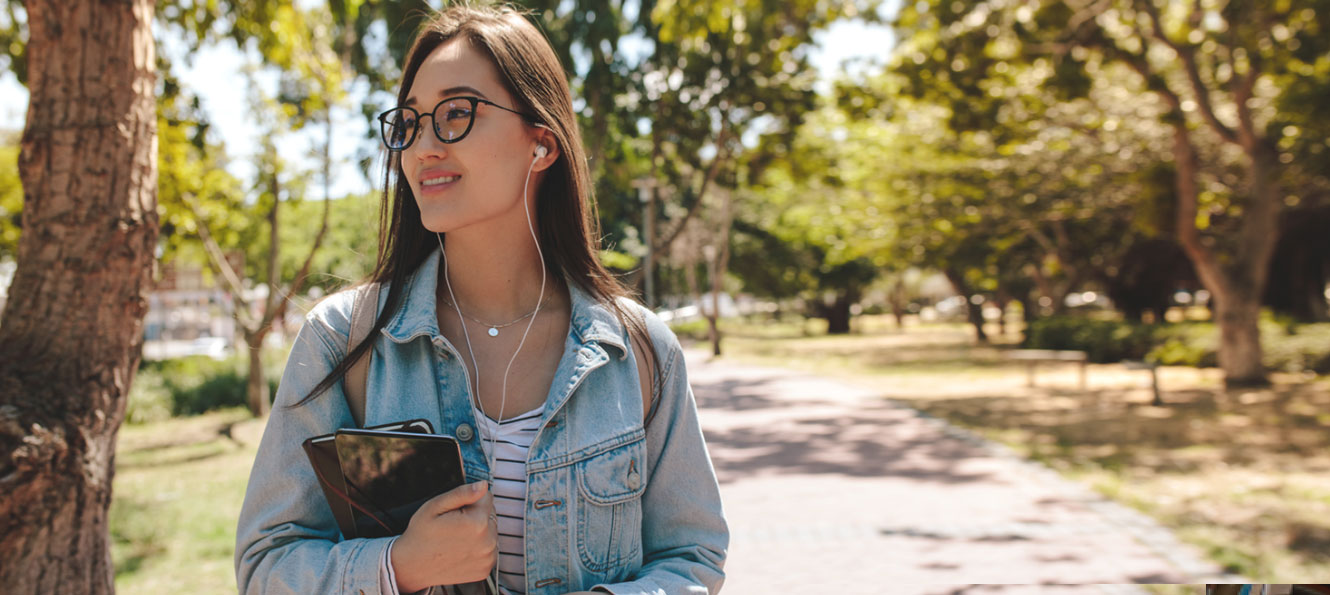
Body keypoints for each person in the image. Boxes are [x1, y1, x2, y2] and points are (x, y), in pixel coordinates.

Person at [233, 4, 728, 595]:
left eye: (456, 114)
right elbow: (267, 563)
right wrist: (399, 567)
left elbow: (691, 556)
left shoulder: (640, 349)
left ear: (541, 143)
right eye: (410, 123)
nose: (422, 148)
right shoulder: (344, 339)